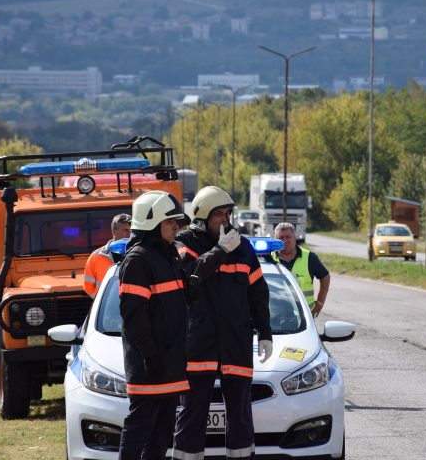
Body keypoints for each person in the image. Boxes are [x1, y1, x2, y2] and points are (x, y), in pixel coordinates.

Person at [173, 186, 273, 460]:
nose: (227, 221)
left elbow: (258, 292)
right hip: (199, 345)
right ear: (203, 218)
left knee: (241, 416)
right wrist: (218, 251)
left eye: (229, 214)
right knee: (192, 416)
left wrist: (265, 332)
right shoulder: (185, 243)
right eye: (220, 215)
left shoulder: (243, 248)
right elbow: (189, 280)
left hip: (236, 343)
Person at [118, 191, 190, 460]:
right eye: (171, 222)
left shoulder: (168, 256)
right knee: (139, 429)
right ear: (152, 222)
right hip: (150, 365)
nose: (176, 227)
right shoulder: (138, 259)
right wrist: (149, 354)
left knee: (162, 433)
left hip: (170, 363)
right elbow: (133, 315)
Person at [272, 222, 331, 317]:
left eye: (288, 237)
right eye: (281, 238)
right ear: (275, 240)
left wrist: (320, 303)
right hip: (275, 316)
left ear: (295, 238)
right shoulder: (269, 258)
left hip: (305, 316)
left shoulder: (309, 257)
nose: (284, 240)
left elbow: (325, 277)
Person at [83, 213, 132, 298]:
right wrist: (102, 301)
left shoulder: (139, 254)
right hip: (109, 309)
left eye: (131, 230)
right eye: (125, 230)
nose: (129, 234)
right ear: (113, 231)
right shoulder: (96, 256)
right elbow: (88, 287)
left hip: (133, 307)